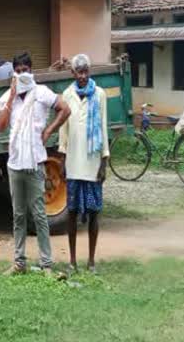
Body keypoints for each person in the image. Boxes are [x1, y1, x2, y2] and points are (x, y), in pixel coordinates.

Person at [0, 52, 70, 276]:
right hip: (15, 164)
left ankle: (46, 264)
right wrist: (10, 96)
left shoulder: (41, 93)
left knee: (39, 214)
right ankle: (19, 263)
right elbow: (0, 126)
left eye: (24, 71)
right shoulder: (7, 97)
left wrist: (49, 130)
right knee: (18, 215)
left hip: (36, 162)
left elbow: (65, 109)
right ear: (14, 74)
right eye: (17, 72)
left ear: (31, 71)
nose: (21, 75)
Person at [58, 54, 110, 274]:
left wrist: (104, 161)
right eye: (79, 72)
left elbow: (103, 127)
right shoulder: (67, 95)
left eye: (86, 71)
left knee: (94, 212)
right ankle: (72, 261)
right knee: (71, 212)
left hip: (92, 162)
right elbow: (64, 130)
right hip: (73, 162)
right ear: (73, 73)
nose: (83, 76)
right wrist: (61, 158)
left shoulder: (99, 94)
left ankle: (91, 261)